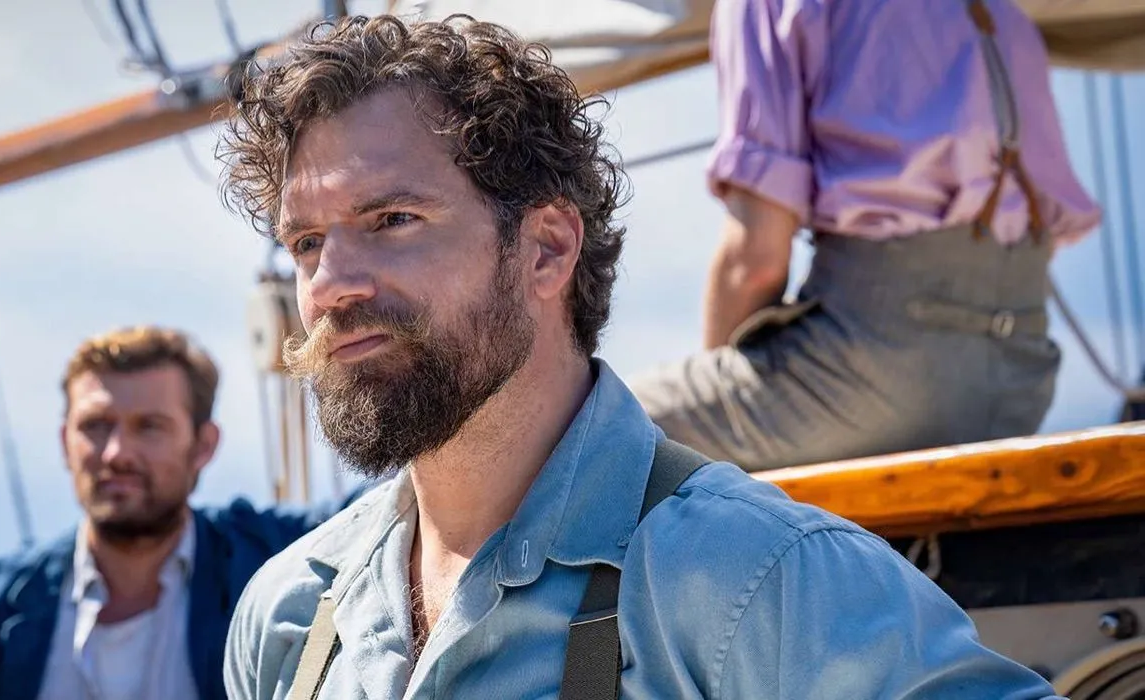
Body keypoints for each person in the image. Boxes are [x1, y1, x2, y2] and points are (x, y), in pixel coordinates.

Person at [216, 14, 1061, 699]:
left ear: (547, 249)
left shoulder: (757, 583)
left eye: (392, 219)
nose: (331, 285)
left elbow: (753, 256)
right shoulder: (288, 617)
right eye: (305, 243)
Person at [628, 0, 1102, 470]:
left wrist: (723, 395)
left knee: (590, 434)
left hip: (874, 375)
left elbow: (756, 262)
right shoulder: (1001, 12)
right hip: (1021, 378)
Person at [0, 325, 349, 700]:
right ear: (65, 443)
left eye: (148, 427)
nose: (116, 452)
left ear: (202, 446)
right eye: (95, 427)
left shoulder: (272, 562)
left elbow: (403, 503)